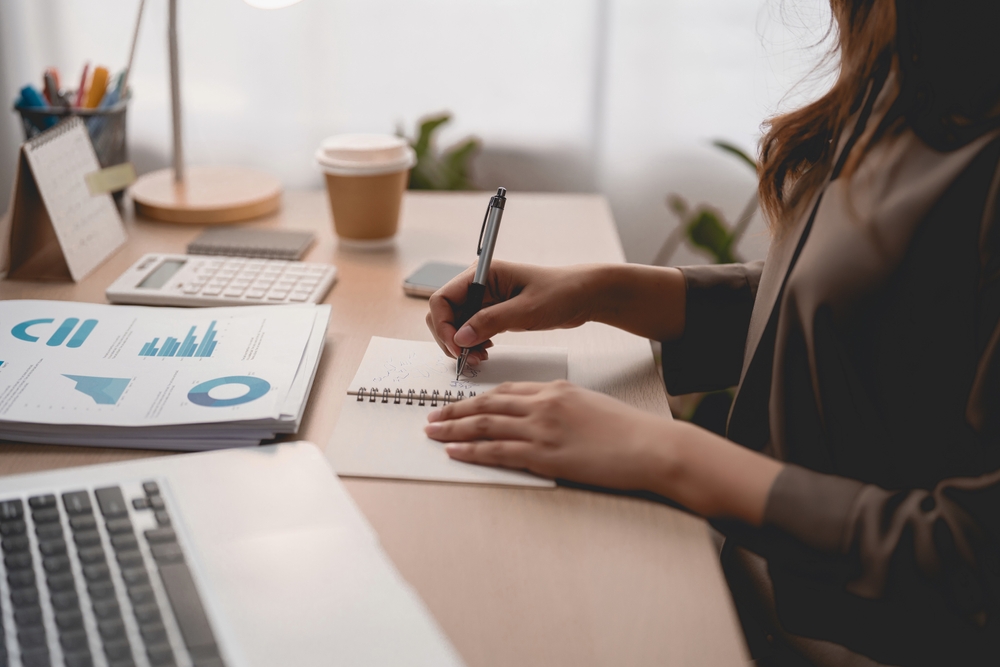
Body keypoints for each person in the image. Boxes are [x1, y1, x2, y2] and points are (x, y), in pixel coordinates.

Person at [423, 1, 1000, 665]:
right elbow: (861, 317)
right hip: (749, 598)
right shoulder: (912, 64)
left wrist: (662, 450)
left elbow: (970, 565)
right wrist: (600, 290)